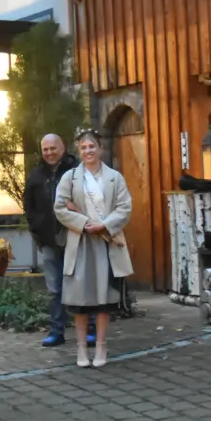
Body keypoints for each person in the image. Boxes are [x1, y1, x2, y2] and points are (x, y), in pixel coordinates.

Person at [54, 128, 134, 369]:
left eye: (92, 146)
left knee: (102, 299)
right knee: (80, 298)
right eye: (83, 147)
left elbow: (124, 208)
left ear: (100, 149)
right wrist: (84, 223)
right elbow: (59, 208)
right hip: (80, 243)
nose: (88, 151)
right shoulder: (69, 177)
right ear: (78, 151)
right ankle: (80, 348)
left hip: (106, 242)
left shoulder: (115, 178)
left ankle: (101, 346)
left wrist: (104, 225)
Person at [24, 133, 79, 347]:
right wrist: (36, 228)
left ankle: (89, 329)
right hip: (48, 239)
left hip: (74, 236)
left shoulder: (76, 171)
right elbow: (29, 205)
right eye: (45, 149)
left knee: (78, 284)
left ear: (62, 147)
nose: (49, 153)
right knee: (54, 288)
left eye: (52, 148)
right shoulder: (36, 175)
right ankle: (57, 331)